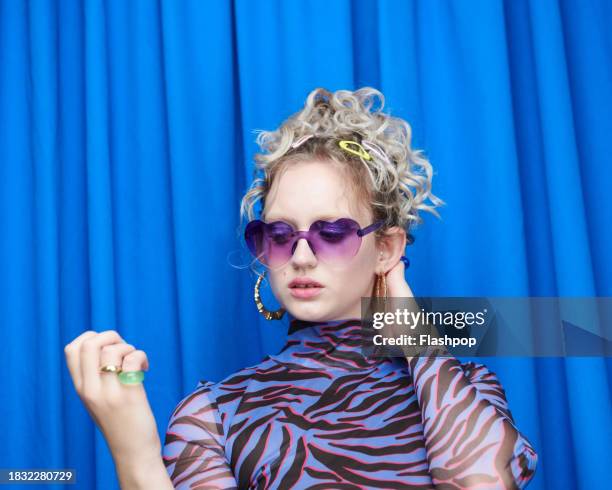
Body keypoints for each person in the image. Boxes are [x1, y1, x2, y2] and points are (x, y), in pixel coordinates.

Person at [65, 87, 538, 490]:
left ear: (386, 248)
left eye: (332, 233)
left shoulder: (464, 386)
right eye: (280, 234)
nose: (302, 256)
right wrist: (136, 453)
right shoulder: (214, 415)